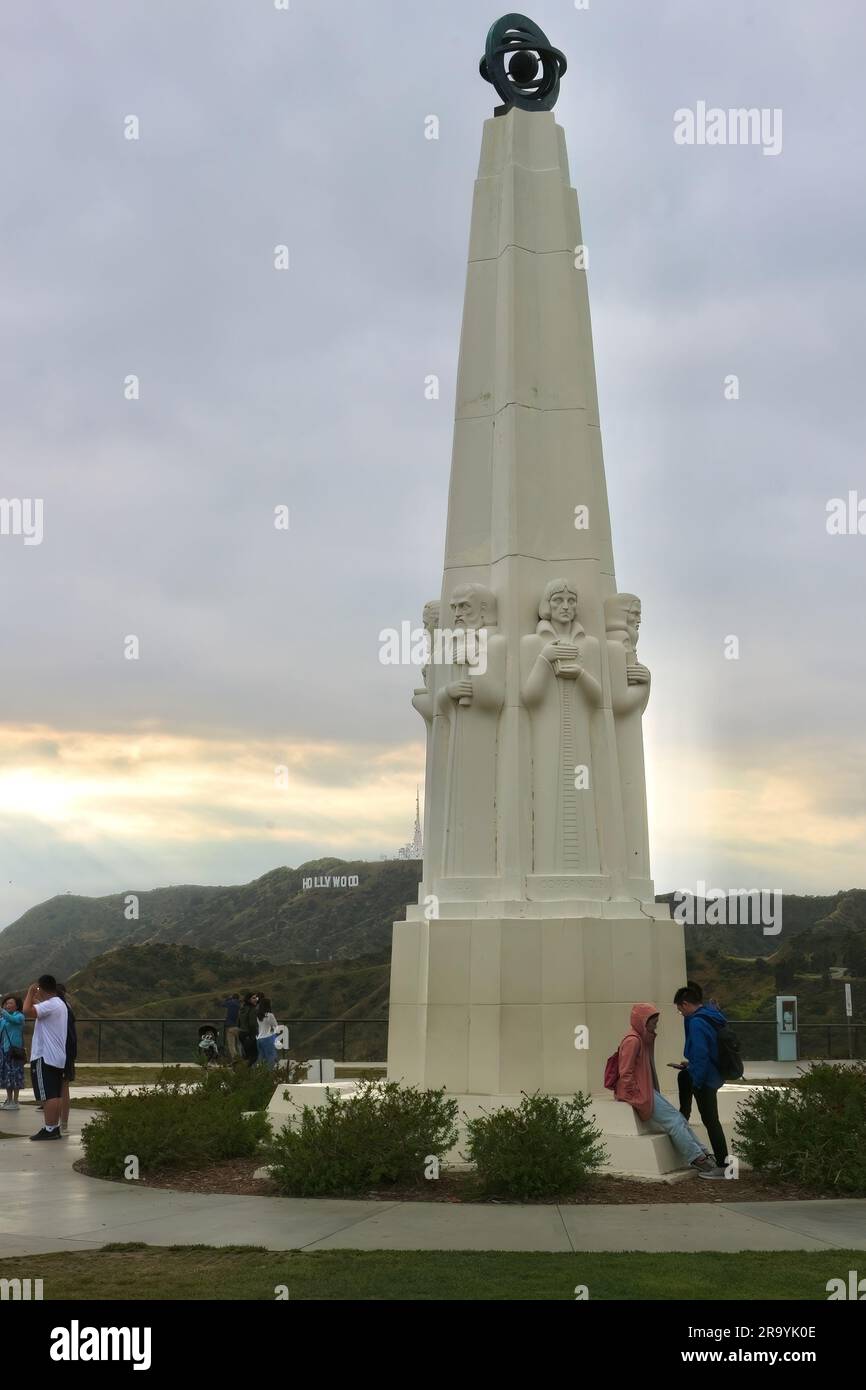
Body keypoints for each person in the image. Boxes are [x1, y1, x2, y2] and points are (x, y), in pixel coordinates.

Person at [614, 1002, 722, 1177]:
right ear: (642, 1021)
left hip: (645, 1089)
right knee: (674, 1121)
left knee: (678, 1118)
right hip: (640, 1091)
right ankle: (698, 1158)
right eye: (652, 1021)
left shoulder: (641, 1038)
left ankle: (703, 1153)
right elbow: (625, 1071)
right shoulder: (633, 1040)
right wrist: (634, 1094)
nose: (656, 1024)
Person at [673, 985, 729, 1169]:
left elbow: (702, 1054)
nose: (681, 1014)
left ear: (686, 1004)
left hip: (705, 1079)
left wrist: (697, 1080)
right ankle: (722, 1163)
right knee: (684, 1076)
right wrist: (690, 1066)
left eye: (680, 1010)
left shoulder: (697, 1022)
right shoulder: (711, 1016)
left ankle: (723, 1166)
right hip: (715, 1075)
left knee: (711, 1122)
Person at [23, 975, 68, 1140]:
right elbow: (39, 1007)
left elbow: (27, 1011)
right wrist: (36, 998)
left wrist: (29, 992)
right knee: (55, 1095)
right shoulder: (59, 1004)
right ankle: (54, 1128)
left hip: (44, 1056)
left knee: (48, 1095)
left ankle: (49, 1129)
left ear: (41, 988)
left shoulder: (51, 1005)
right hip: (57, 1058)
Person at [56, 984, 77, 1136]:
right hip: (66, 1053)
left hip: (62, 1053)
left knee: (62, 1089)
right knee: (62, 1088)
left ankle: (61, 1124)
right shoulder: (66, 1007)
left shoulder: (61, 1009)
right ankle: (60, 1123)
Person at [0, 995, 26, 1110]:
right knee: (7, 1076)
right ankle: (9, 1100)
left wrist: (2, 1012)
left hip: (15, 1051)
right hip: (5, 1050)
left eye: (10, 1003)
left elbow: (13, 1020)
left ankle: (15, 1101)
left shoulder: (20, 1016)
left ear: (17, 1005)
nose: (7, 1005)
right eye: (6, 1003)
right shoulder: (3, 1019)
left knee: (15, 1075)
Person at [237, 992, 261, 1067]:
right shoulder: (252, 1009)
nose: (256, 1000)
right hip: (249, 1034)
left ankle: (243, 1071)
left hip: (241, 1034)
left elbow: (238, 1021)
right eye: (253, 998)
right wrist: (255, 1034)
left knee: (246, 1055)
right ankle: (243, 1070)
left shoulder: (242, 1009)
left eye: (256, 998)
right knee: (254, 1056)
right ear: (248, 999)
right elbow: (252, 1024)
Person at [256, 996, 279, 1069]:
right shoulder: (270, 1015)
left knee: (260, 1059)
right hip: (268, 1038)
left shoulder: (258, 1015)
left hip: (259, 1038)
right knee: (271, 1058)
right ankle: (269, 1076)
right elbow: (276, 1026)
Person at [222, 994, 241, 1059]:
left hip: (230, 1026)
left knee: (231, 1045)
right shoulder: (239, 1004)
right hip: (239, 1026)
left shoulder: (230, 1003)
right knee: (240, 1044)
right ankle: (242, 1057)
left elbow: (223, 1004)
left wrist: (228, 999)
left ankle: (236, 1058)